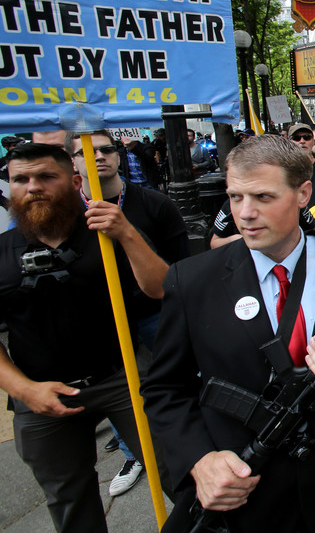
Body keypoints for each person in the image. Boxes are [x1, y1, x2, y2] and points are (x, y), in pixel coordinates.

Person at [142, 134, 315, 532]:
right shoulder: (192, 281)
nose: (245, 214)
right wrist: (199, 460)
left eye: (263, 197)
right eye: (235, 197)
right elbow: (165, 389)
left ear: (303, 194)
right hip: (246, 491)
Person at [0, 143, 169, 532]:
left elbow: (161, 287)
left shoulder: (107, 234)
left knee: (173, 467)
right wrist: (24, 391)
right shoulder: (2, 253)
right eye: (20, 179)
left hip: (121, 377)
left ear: (76, 182)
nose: (33, 187)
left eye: (46, 176)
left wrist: (127, 233)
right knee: (69, 498)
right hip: (40, 392)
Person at [67, 129, 189, 496]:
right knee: (118, 392)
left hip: (155, 316)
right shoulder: (64, 214)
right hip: (99, 325)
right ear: (73, 162)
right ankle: (132, 453)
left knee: (173, 385)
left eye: (106, 149)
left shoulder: (155, 204)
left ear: (119, 155)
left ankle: (183, 450)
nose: (98, 156)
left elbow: (181, 272)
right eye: (86, 151)